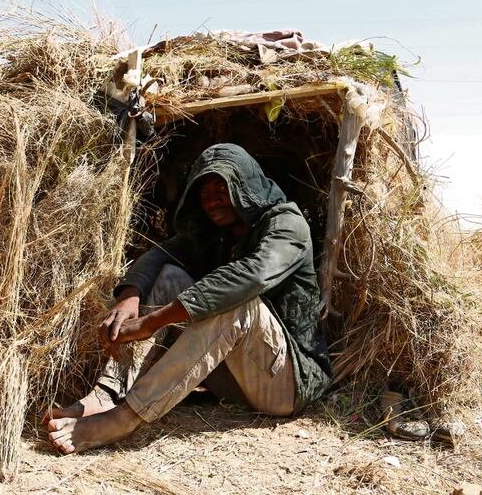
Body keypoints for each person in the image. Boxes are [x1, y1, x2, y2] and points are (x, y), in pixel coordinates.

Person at [44, 143, 331, 453]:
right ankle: (106, 395)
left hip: (287, 384)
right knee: (171, 276)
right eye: (203, 192)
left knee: (236, 304)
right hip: (234, 379)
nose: (212, 200)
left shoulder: (287, 224)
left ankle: (125, 417)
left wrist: (152, 322)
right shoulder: (213, 234)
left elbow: (252, 276)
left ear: (245, 185)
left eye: (222, 186)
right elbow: (161, 255)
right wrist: (130, 296)